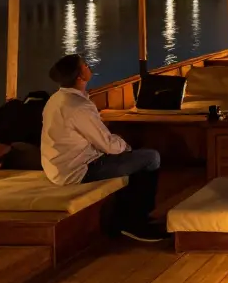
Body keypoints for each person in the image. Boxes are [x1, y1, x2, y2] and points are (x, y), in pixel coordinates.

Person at [40, 54, 166, 242]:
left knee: (131, 156)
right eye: (85, 65)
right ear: (79, 77)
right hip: (79, 170)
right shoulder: (78, 106)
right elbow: (107, 145)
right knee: (150, 158)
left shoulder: (56, 100)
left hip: (58, 166)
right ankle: (135, 223)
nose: (89, 66)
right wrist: (126, 147)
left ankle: (125, 218)